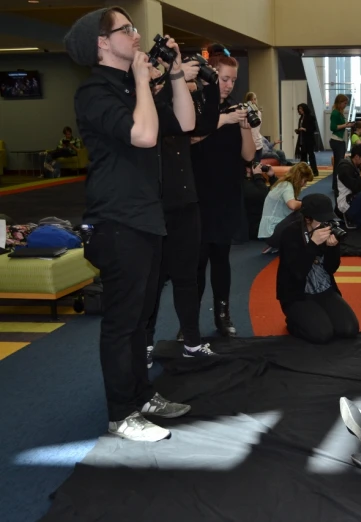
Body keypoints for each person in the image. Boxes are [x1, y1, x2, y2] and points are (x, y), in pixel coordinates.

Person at [65, 7, 195, 441]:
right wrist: (143, 81)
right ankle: (121, 414)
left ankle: (141, 394)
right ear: (103, 43)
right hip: (116, 219)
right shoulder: (94, 93)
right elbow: (143, 135)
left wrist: (174, 75)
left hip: (147, 216)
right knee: (122, 323)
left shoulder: (130, 86)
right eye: (127, 29)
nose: (137, 36)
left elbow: (187, 122)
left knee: (141, 319)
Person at [145, 52, 221, 365]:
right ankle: (145, 343)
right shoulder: (143, 101)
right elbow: (157, 123)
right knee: (152, 279)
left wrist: (211, 84)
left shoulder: (178, 100)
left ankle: (191, 340)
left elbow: (205, 123)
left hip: (185, 201)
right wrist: (172, 79)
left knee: (187, 277)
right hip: (154, 204)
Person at [190, 46, 256, 337]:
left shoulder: (234, 110)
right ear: (210, 76)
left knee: (221, 261)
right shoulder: (194, 104)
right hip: (197, 196)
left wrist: (242, 125)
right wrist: (224, 120)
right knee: (195, 264)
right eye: (225, 78)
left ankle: (223, 315)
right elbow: (188, 137)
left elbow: (248, 156)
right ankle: (188, 322)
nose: (229, 85)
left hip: (227, 195)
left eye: (233, 80)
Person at [276, 193, 359, 344]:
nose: (325, 223)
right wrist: (313, 245)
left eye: (328, 219)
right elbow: (297, 272)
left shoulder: (328, 229)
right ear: (307, 218)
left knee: (349, 329)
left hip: (323, 288)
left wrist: (332, 248)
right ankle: (293, 321)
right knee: (322, 334)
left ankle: (313, 316)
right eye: (321, 219)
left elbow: (331, 269)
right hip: (297, 293)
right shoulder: (290, 233)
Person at [258, 162, 313, 252]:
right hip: (272, 233)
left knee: (301, 209)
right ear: (299, 177)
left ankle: (281, 244)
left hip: (270, 233)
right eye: (305, 180)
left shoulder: (283, 184)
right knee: (303, 212)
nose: (305, 184)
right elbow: (292, 205)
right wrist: (307, 202)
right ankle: (307, 241)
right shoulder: (286, 186)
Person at [243, 162, 275, 242]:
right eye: (255, 166)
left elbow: (276, 194)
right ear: (248, 169)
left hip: (259, 224)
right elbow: (265, 197)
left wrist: (272, 177)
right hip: (253, 228)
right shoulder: (244, 184)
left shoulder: (255, 182)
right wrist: (258, 176)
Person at [330, 94, 354, 194]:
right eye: (344, 103)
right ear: (339, 102)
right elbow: (333, 127)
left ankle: (335, 185)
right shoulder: (335, 113)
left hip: (339, 141)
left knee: (338, 164)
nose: (345, 105)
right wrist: (346, 125)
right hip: (336, 141)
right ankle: (336, 186)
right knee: (338, 165)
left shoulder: (339, 112)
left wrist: (347, 124)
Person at [294, 103, 319, 177]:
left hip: (309, 140)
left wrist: (305, 129)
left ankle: (314, 171)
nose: (300, 110)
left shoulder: (310, 117)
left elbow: (313, 129)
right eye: (299, 109)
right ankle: (303, 172)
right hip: (302, 139)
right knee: (303, 156)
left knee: (311, 156)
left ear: (305, 109)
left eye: (301, 109)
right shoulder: (301, 118)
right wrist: (298, 131)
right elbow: (301, 128)